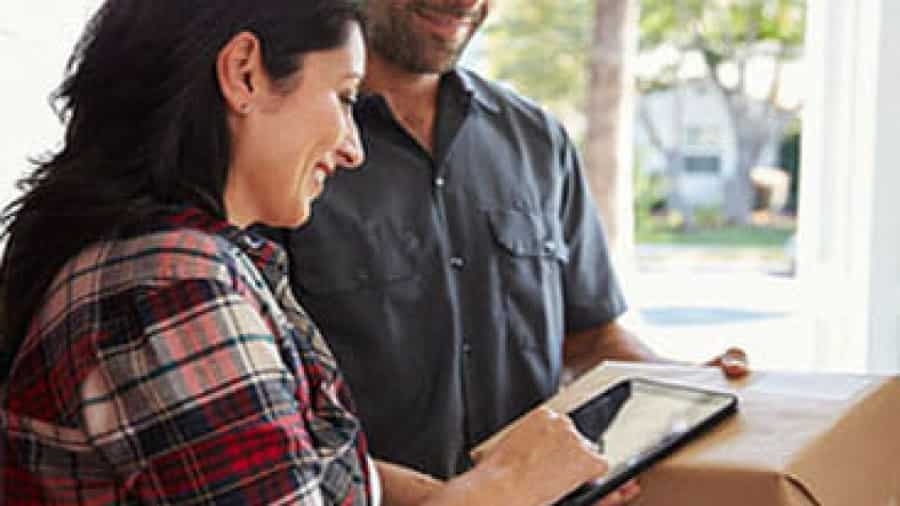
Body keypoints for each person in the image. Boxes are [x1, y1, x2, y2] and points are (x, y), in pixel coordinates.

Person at [0, 1, 610, 504]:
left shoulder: (210, 265)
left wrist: (477, 487)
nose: (353, 150)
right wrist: (509, 488)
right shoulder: (170, 290)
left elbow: (316, 473)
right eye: (344, 97)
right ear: (244, 73)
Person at [265, 0, 749, 493]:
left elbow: (591, 339)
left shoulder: (537, 139)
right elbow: (272, 413)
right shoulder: (288, 156)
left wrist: (694, 387)